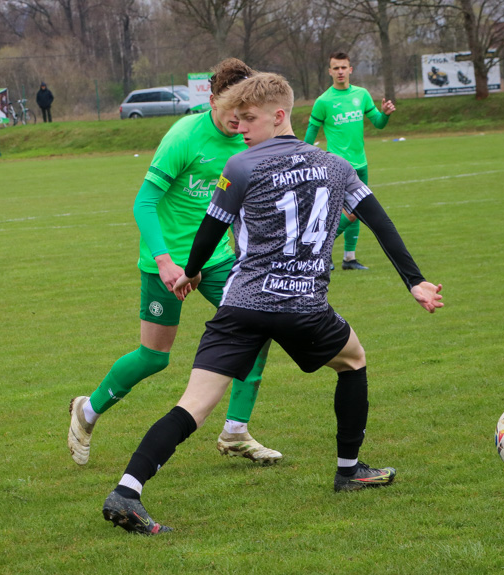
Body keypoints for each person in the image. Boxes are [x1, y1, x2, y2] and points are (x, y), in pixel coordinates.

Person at [100, 72, 444, 535]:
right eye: (236, 118)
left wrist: (192, 270)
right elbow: (380, 222)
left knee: (194, 405)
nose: (240, 127)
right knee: (354, 361)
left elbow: (208, 231)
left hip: (242, 305)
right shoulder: (336, 166)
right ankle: (349, 470)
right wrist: (415, 282)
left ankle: (128, 490)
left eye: (249, 118)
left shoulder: (240, 168)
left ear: (279, 116)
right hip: (305, 306)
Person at [68, 58, 282, 468]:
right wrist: (166, 263)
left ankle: (235, 432)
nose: (240, 120)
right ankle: (87, 411)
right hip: (165, 263)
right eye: (233, 109)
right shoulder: (184, 136)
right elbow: (144, 202)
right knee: (155, 357)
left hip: (217, 259)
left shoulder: (247, 138)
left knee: (255, 331)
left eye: (246, 110)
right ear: (214, 98)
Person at [304, 51, 396, 271]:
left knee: (358, 212)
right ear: (330, 72)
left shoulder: (362, 95)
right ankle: (319, 252)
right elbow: (310, 133)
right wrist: (302, 157)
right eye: (336, 68)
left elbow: (379, 123)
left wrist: (385, 114)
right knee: (341, 213)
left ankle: (349, 258)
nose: (340, 72)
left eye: (344, 67)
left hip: (360, 165)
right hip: (336, 167)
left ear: (351, 69)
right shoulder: (323, 101)